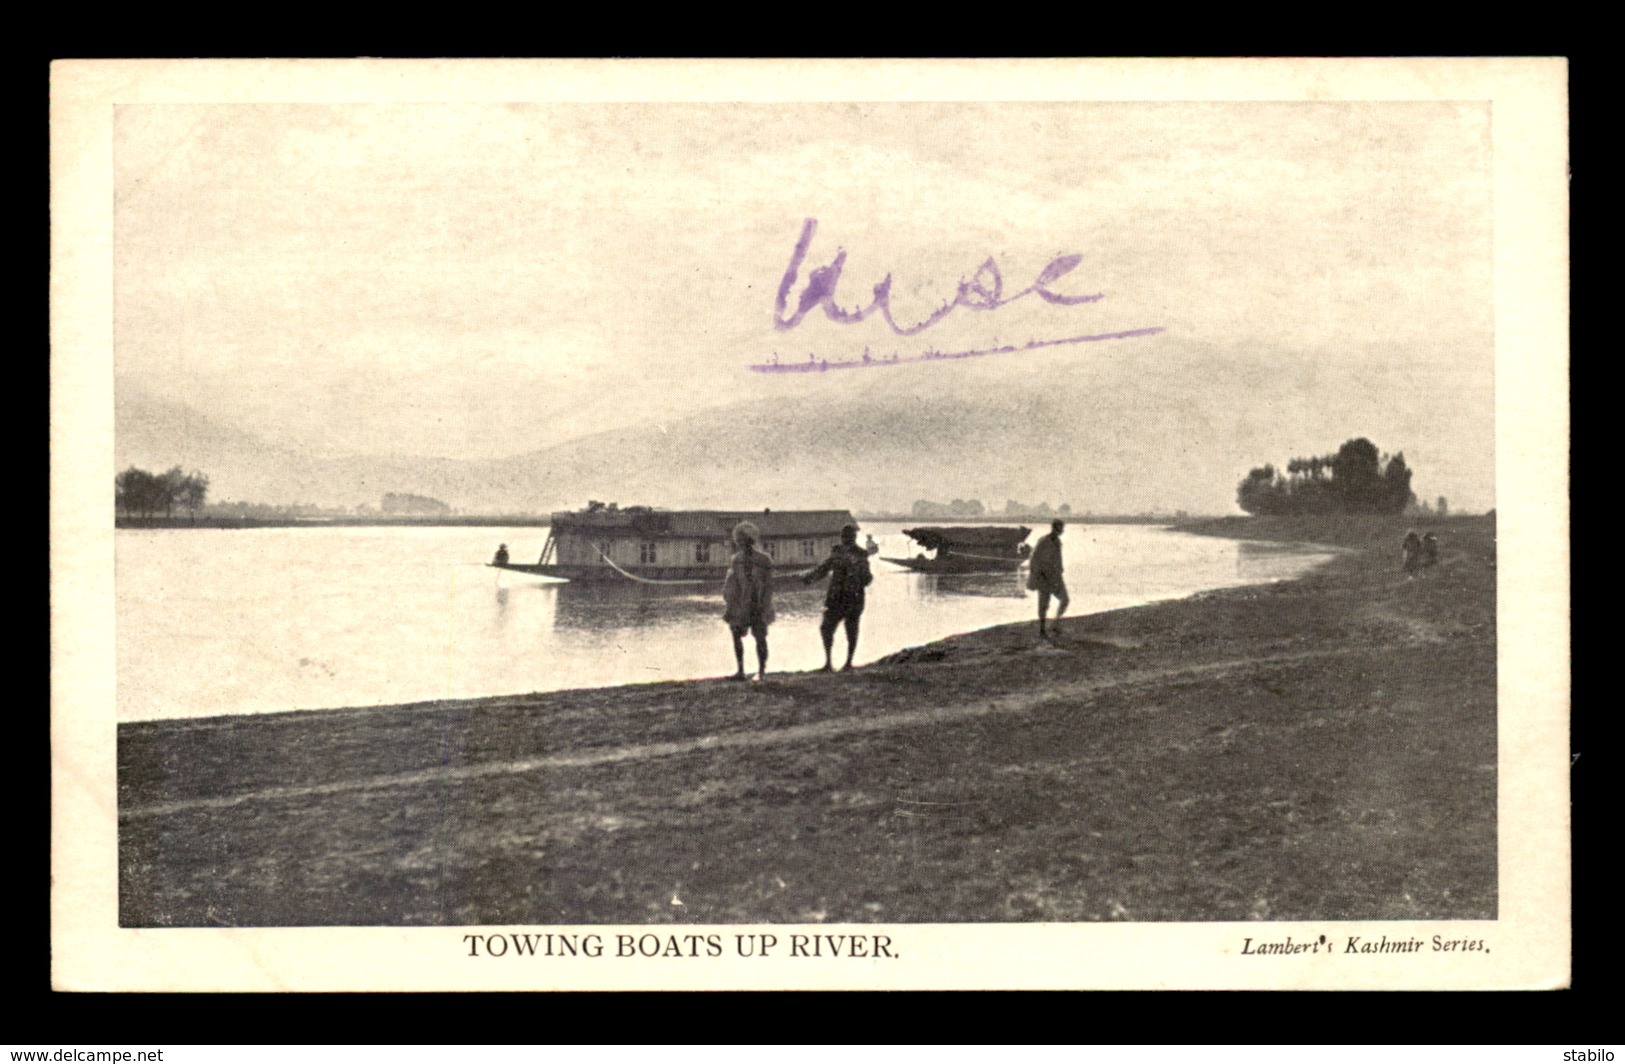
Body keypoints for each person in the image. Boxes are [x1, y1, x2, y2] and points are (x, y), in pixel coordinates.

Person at [804, 524, 874, 671]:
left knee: (851, 630)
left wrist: (858, 575)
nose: (845, 539)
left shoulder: (861, 554)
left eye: (848, 537)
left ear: (853, 538)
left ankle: (847, 663)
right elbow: (824, 568)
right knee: (826, 628)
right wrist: (809, 578)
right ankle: (829, 663)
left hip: (853, 598)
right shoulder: (837, 552)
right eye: (844, 537)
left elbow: (867, 579)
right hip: (836, 598)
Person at [722, 521, 775, 681]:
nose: (741, 543)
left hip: (758, 603)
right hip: (741, 604)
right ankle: (741, 670)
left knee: (760, 637)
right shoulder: (736, 560)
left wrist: (765, 604)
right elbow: (733, 583)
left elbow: (769, 585)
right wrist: (730, 601)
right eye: (740, 540)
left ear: (750, 540)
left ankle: (762, 671)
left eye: (744, 540)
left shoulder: (764, 560)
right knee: (736, 634)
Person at [1027, 519, 1069, 641]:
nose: (1062, 531)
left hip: (1055, 577)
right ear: (1054, 528)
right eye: (1060, 528)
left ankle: (1055, 624)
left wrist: (1060, 571)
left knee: (1065, 600)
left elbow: (1057, 560)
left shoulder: (1058, 542)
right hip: (1044, 578)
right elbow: (1034, 559)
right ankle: (1042, 630)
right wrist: (1036, 576)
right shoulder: (1043, 541)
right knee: (1043, 605)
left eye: (1062, 528)